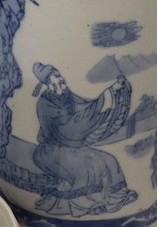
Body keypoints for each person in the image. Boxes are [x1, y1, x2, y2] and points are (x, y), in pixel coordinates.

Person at [31, 62, 138, 217]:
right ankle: (86, 205)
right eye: (56, 76)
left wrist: (113, 92)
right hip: (50, 151)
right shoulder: (45, 104)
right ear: (48, 81)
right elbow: (67, 128)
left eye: (59, 75)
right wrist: (104, 99)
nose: (61, 78)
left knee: (109, 160)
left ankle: (113, 199)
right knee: (89, 166)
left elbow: (87, 107)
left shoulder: (67, 95)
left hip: (71, 147)